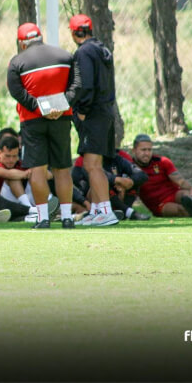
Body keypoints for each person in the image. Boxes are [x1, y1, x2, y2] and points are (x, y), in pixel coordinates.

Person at [6, 22, 76, 229]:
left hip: (32, 120)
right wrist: (60, 107)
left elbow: (16, 92)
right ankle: (67, 218)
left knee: (37, 170)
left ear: (22, 43)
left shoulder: (17, 62)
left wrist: (40, 108)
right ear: (40, 37)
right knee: (62, 168)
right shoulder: (65, 56)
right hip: (62, 118)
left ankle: (43, 218)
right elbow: (76, 85)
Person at [68, 14, 120, 227]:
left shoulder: (84, 51)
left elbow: (85, 85)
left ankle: (106, 212)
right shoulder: (102, 48)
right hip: (106, 111)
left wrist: (82, 109)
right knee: (96, 164)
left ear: (73, 32)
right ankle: (97, 210)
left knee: (91, 165)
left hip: (93, 114)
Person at [131, 134, 192, 217]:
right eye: (143, 150)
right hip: (160, 204)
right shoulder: (129, 166)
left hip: (174, 194)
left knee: (186, 195)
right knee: (179, 209)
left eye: (149, 150)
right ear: (134, 150)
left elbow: (180, 181)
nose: (147, 153)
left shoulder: (162, 161)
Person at [72, 151, 150, 221]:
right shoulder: (88, 160)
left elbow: (142, 175)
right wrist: (115, 180)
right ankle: (128, 212)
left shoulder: (117, 157)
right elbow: (83, 179)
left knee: (133, 182)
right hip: (95, 201)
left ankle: (123, 212)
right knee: (101, 186)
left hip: (119, 195)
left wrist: (127, 182)